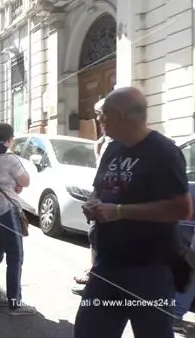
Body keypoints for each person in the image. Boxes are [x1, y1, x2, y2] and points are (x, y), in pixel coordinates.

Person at [75, 87, 193, 338]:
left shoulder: (163, 152)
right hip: (108, 265)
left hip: (150, 270)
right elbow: (99, 188)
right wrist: (92, 203)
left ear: (123, 116)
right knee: (88, 332)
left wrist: (118, 211)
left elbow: (182, 208)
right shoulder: (112, 149)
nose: (100, 121)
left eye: (104, 115)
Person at [0, 123, 36, 315]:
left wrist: (13, 184)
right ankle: (15, 303)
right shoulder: (11, 159)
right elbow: (26, 181)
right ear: (9, 139)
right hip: (7, 212)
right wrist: (15, 185)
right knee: (15, 258)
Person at [72, 98, 113, 295]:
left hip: (112, 205)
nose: (97, 120)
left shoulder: (120, 144)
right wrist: (93, 197)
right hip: (100, 198)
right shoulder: (103, 143)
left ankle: (97, 281)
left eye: (99, 115)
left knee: (101, 239)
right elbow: (100, 174)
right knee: (95, 236)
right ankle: (94, 275)